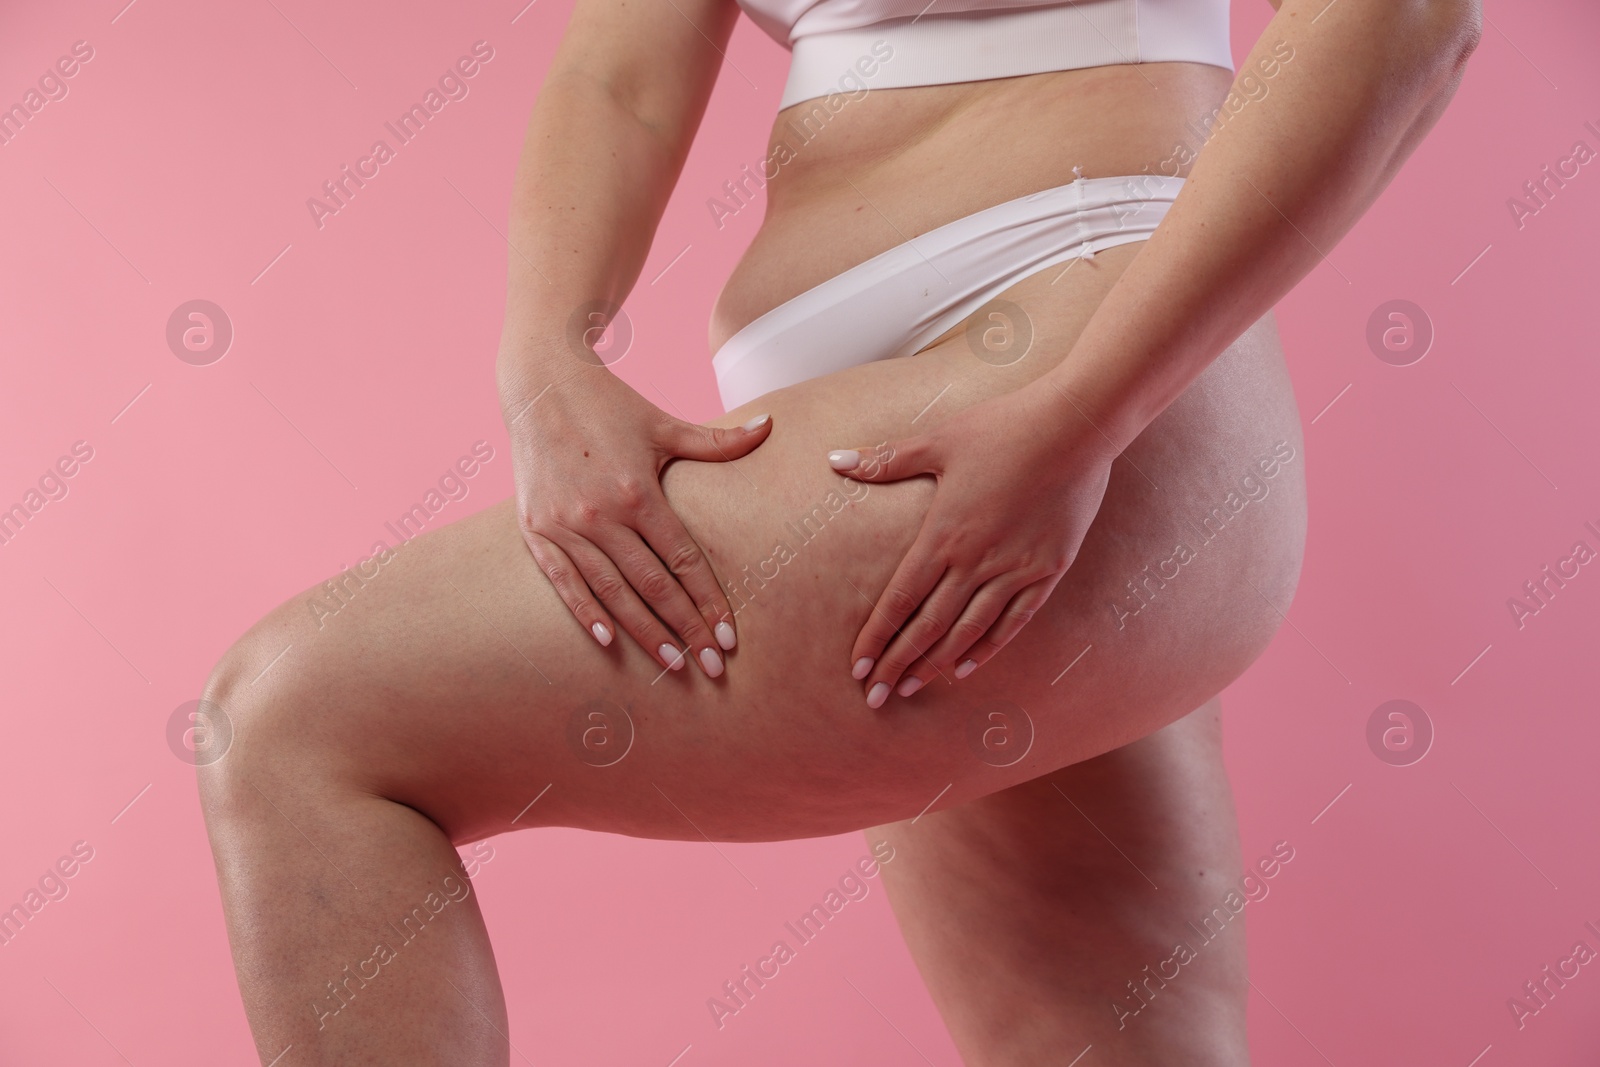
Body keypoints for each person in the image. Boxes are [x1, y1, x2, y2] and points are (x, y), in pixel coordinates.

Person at [196, 0, 1480, 1062]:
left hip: (1067, 346)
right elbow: (622, 68)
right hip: (920, 410)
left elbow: (1412, 18)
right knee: (1099, 1037)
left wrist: (1082, 413)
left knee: (292, 721)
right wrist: (546, 348)